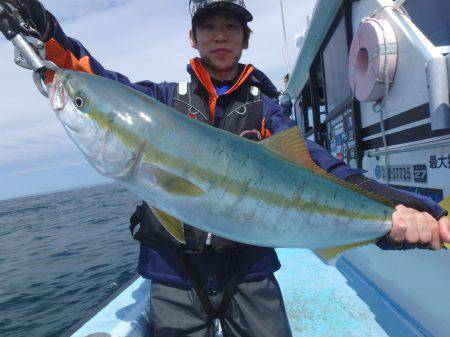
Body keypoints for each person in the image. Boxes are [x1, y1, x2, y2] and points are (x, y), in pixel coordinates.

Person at [11, 0, 450, 336]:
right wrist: (45, 29)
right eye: (209, 27)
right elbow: (95, 80)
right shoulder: (164, 101)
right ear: (193, 37)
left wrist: (416, 211)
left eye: (231, 28)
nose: (220, 36)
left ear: (245, 39)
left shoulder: (268, 111)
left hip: (250, 269)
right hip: (174, 274)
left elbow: (327, 170)